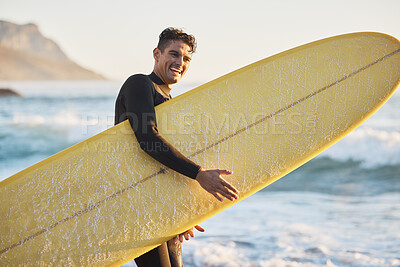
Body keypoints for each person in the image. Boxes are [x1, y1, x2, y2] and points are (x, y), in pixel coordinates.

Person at [114, 27, 239, 267]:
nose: (180, 62)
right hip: (137, 206)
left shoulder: (169, 102)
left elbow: (165, 163)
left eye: (187, 58)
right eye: (174, 54)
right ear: (157, 54)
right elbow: (147, 139)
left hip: (159, 206)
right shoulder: (140, 84)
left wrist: (180, 210)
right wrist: (199, 174)